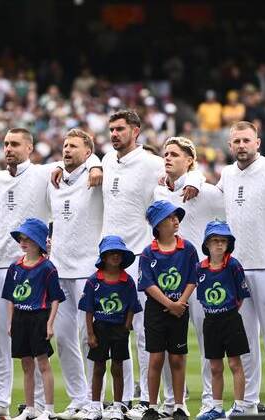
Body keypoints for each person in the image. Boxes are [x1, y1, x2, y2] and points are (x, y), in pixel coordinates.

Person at [0, 128, 101, 418]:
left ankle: (43, 403)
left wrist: (96, 162)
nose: (8, 148)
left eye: (15, 144)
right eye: (6, 144)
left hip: (33, 267)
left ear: (30, 148)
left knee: (39, 339)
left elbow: (81, 160)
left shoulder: (44, 172)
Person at [91, 111, 199, 420]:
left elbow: (184, 172)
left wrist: (192, 179)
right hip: (110, 257)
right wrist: (90, 165)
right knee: (111, 330)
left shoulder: (153, 163)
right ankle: (124, 399)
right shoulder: (107, 160)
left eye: (120, 129)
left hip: (140, 255)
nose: (114, 134)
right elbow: (79, 161)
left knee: (145, 332)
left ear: (135, 131)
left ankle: (163, 400)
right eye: (111, 129)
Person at [216, 121, 265, 414]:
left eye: (246, 140)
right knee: (244, 340)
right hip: (236, 268)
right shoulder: (226, 174)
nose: (241, 146)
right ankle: (248, 400)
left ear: (257, 142)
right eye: (236, 141)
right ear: (230, 145)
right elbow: (215, 204)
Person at [153, 137, 224, 417]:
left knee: (208, 341)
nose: (167, 158)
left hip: (202, 278)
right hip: (168, 281)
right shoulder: (158, 193)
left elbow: (233, 216)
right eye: (165, 154)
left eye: (174, 154)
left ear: (190, 161)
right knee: (168, 344)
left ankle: (209, 400)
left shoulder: (205, 191)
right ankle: (171, 402)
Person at [47, 129, 104, 420]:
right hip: (59, 269)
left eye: (73, 146)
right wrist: (57, 166)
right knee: (63, 338)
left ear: (88, 151)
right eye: (64, 145)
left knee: (90, 336)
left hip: (87, 270)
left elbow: (109, 164)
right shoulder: (54, 178)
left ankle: (98, 401)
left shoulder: (98, 173)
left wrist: (95, 162)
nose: (66, 150)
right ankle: (78, 399)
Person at [137, 201, 199, 420]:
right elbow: (148, 284)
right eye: (169, 218)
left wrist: (179, 303)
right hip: (156, 311)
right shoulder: (148, 253)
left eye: (176, 217)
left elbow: (193, 278)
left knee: (177, 358)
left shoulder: (188, 249)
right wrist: (169, 304)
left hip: (180, 310)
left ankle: (179, 405)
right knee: (155, 359)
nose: (175, 221)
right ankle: (153, 407)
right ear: (158, 225)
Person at [2, 218, 65, 420]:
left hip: (39, 318)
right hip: (20, 318)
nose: (23, 242)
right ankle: (29, 408)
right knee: (26, 364)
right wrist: (10, 322)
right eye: (21, 238)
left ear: (38, 241)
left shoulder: (48, 267)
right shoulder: (14, 267)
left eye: (28, 238)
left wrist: (50, 323)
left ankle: (48, 409)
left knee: (43, 363)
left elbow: (55, 298)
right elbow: (11, 298)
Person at [78, 236, 142, 420]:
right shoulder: (93, 281)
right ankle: (95, 406)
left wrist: (127, 326)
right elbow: (88, 310)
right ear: (103, 257)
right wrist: (90, 334)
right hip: (100, 328)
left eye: (118, 253)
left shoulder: (127, 281)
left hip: (119, 329)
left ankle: (116, 406)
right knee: (98, 368)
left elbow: (132, 306)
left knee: (117, 367)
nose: (115, 256)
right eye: (111, 253)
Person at [195, 221, 251, 420]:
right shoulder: (200, 268)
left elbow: (241, 294)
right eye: (215, 241)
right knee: (215, 366)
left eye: (223, 241)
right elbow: (201, 295)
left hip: (230, 319)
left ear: (228, 244)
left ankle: (239, 407)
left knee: (235, 363)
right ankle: (216, 407)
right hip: (210, 321)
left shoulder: (233, 265)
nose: (219, 245)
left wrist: (229, 311)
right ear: (207, 244)